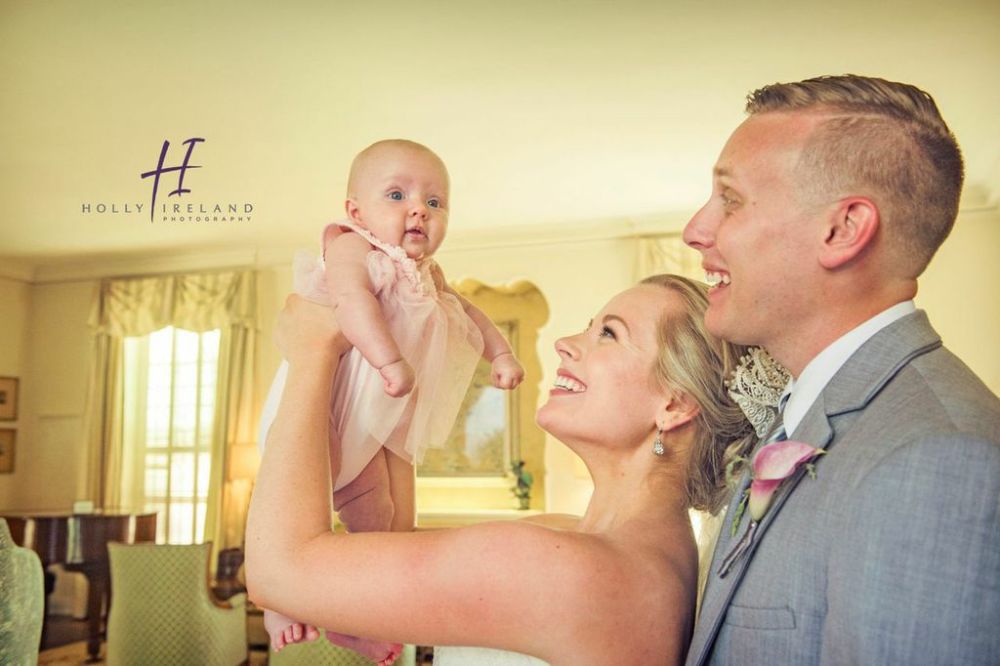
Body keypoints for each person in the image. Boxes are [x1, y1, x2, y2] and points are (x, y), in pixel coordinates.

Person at [246, 275, 757, 665]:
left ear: (674, 404)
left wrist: (312, 350)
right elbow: (377, 543)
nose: (566, 342)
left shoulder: (575, 572)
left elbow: (277, 570)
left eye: (608, 333)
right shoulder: (577, 540)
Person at [682, 74, 1000, 665]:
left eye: (731, 199)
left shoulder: (937, 458)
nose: (695, 230)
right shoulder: (806, 418)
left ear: (843, 230)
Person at [256, 139, 524, 657]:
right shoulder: (351, 247)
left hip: (375, 420)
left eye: (434, 202)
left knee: (379, 517)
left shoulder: (431, 277)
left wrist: (502, 355)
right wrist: (388, 360)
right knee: (300, 495)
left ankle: (362, 618)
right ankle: (278, 599)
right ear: (357, 211)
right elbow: (352, 301)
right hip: (327, 404)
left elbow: (469, 315)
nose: (418, 210)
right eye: (397, 195)